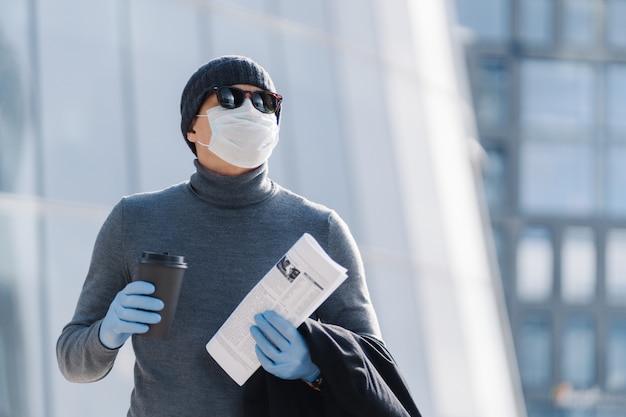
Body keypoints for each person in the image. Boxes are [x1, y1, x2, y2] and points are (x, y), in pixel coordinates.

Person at [56, 55, 393, 416]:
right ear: (192, 128)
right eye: (230, 97)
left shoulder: (320, 228)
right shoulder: (135, 220)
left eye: (264, 102)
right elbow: (73, 362)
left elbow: (373, 370)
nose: (250, 110)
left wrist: (313, 366)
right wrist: (107, 333)